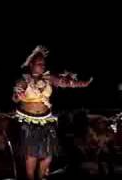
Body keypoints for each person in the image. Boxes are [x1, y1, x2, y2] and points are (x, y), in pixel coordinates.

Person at [12, 45, 92, 180]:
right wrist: (17, 96)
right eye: (39, 64)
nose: (42, 66)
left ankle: (41, 177)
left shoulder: (49, 78)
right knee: (31, 156)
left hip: (46, 120)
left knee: (48, 156)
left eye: (43, 64)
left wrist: (83, 84)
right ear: (31, 65)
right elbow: (15, 97)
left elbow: (66, 83)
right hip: (27, 122)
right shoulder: (23, 80)